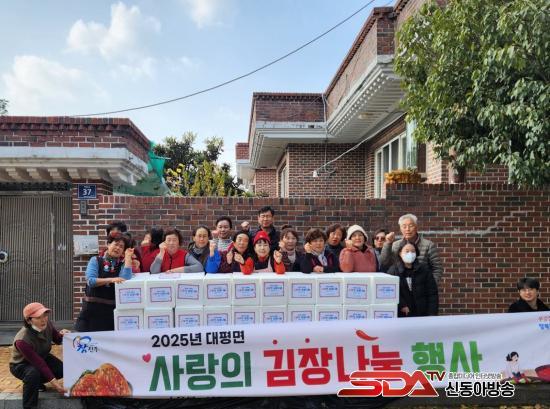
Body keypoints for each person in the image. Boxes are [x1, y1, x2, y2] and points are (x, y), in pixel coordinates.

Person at [10, 303, 70, 409]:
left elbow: (57, 339)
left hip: (42, 356)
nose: (43, 320)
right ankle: (29, 405)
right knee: (33, 373)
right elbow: (39, 364)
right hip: (21, 364)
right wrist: (56, 385)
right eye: (38, 317)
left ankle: (36, 383)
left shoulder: (47, 324)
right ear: (29, 320)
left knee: (62, 370)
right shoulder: (22, 340)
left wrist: (64, 334)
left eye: (45, 315)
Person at [75, 231, 133, 332]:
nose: (118, 248)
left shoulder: (122, 265)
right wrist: (111, 280)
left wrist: (128, 258)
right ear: (108, 244)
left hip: (110, 314)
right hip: (91, 312)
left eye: (121, 247)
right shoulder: (95, 260)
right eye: (116, 244)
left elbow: (125, 282)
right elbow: (91, 281)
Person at [380, 213, 443, 283]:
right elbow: (384, 262)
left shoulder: (428, 245)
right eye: (404, 226)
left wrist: (431, 284)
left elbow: (438, 268)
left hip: (421, 285)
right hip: (401, 285)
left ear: (416, 227)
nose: (407, 229)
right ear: (400, 229)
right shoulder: (395, 245)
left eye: (411, 226)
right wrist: (388, 243)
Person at [387, 241, 438, 317]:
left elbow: (432, 294)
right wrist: (401, 305)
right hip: (402, 314)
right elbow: (390, 292)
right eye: (407, 251)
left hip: (422, 313)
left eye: (413, 251)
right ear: (400, 253)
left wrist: (432, 313)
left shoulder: (424, 270)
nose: (410, 254)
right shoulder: (393, 271)